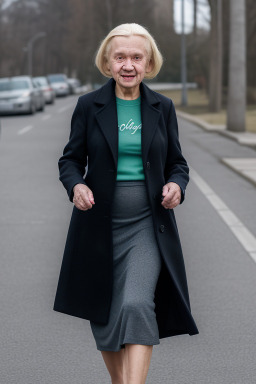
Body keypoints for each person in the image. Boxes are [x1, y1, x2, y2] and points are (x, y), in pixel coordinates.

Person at [53, 23, 199, 384]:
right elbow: (70, 160)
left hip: (147, 226)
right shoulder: (89, 106)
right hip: (97, 226)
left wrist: (177, 185)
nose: (128, 64)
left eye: (137, 57)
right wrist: (76, 187)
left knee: (135, 304)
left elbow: (176, 163)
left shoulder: (161, 107)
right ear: (108, 63)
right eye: (120, 57)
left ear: (149, 64)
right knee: (103, 315)